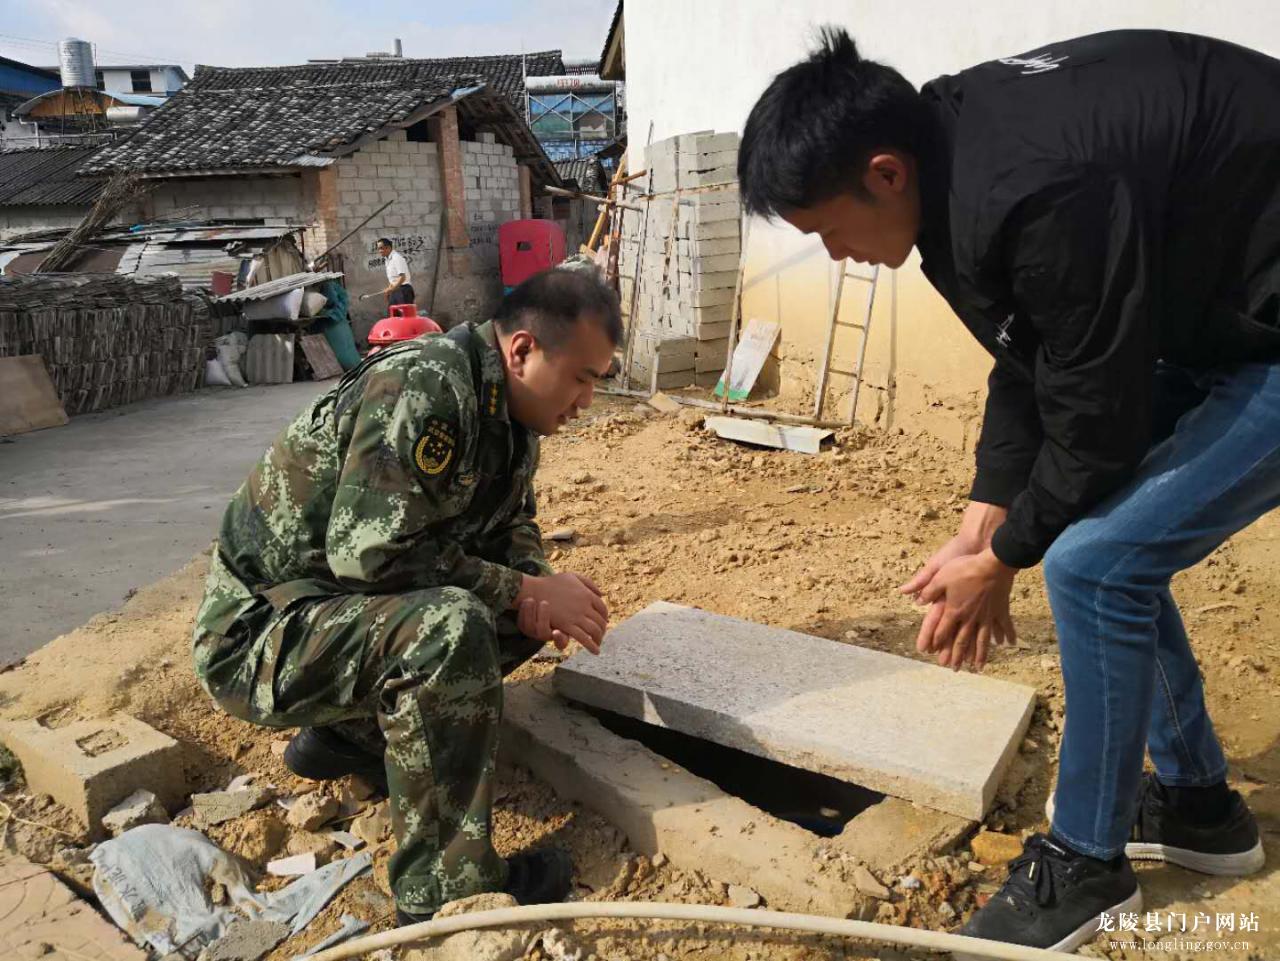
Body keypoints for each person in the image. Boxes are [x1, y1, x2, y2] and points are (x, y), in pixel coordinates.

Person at [738, 28, 1276, 954]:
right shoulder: (956, 160)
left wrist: (1005, 558)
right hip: (1227, 311)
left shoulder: (1030, 184)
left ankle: (1088, 861)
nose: (835, 255)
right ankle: (1198, 807)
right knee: (1103, 547)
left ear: (884, 174)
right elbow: (1031, 357)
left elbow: (1097, 420)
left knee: (1094, 565)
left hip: (1262, 328)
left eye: (828, 231)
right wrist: (981, 524)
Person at [192, 268, 620, 924]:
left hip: (334, 621)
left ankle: (348, 737)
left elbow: (509, 524)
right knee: (450, 627)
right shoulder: (426, 385)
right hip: (259, 638)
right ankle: (444, 889)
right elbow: (369, 555)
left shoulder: (508, 413)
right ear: (523, 350)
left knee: (518, 610)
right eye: (582, 378)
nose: (587, 400)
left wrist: (536, 585)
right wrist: (521, 588)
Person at [377, 237, 415, 306]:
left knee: (403, 312)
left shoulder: (396, 258)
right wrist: (389, 290)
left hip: (404, 291)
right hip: (395, 290)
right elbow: (393, 279)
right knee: (392, 312)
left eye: (381, 248)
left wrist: (391, 289)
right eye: (379, 249)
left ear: (388, 248)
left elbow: (402, 277)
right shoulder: (387, 260)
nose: (379, 251)